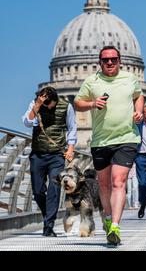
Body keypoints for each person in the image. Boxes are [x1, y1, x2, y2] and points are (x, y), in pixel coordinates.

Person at [74, 45, 144, 246]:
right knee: (104, 185)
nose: (110, 62)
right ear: (100, 62)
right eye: (106, 60)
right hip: (100, 140)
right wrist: (92, 103)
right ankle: (106, 218)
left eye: (114, 59)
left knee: (118, 181)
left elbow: (138, 95)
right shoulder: (91, 81)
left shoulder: (130, 78)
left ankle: (114, 225)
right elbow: (78, 103)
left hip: (127, 138)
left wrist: (138, 111)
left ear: (120, 60)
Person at [23, 86, 77, 237]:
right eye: (45, 104)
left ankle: (49, 225)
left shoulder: (66, 106)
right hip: (38, 154)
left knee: (54, 188)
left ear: (55, 100)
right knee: (38, 190)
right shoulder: (35, 104)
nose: (48, 107)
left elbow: (72, 127)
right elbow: (27, 122)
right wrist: (37, 107)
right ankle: (48, 215)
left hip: (56, 155)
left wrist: (70, 149)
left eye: (50, 104)